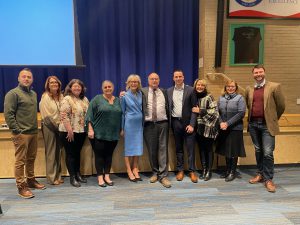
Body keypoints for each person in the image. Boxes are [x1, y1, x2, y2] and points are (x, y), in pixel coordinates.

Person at [4, 68, 46, 199]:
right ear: (18, 78)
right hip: (21, 134)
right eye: (24, 76)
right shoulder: (13, 94)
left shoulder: (33, 93)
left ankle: (31, 180)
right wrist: (17, 131)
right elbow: (9, 114)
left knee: (31, 159)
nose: (26, 79)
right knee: (20, 161)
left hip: (33, 132)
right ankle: (21, 186)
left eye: (29, 77)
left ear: (32, 79)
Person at [245, 64, 285, 193]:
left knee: (267, 152)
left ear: (264, 72)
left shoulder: (274, 87)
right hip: (253, 124)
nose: (258, 74)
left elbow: (281, 106)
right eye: (256, 73)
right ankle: (260, 174)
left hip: (267, 125)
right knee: (258, 150)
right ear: (253, 74)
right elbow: (248, 105)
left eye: (260, 72)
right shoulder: (249, 89)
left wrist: (272, 119)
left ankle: (268, 179)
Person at [85, 80, 122, 187]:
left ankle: (107, 176)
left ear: (113, 88)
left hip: (113, 134)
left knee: (109, 156)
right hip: (98, 134)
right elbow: (89, 115)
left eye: (109, 86)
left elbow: (122, 115)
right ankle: (100, 178)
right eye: (105, 87)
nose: (107, 88)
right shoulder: (97, 99)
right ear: (102, 88)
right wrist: (90, 129)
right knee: (99, 156)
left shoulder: (118, 100)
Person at [167, 70, 198, 183]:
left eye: (180, 76)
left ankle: (191, 171)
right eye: (176, 77)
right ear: (173, 78)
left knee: (190, 149)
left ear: (183, 77)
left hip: (188, 124)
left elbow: (195, 109)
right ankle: (180, 170)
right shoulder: (169, 91)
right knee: (179, 148)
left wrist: (192, 124)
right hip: (176, 123)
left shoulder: (190, 90)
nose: (178, 78)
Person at [142, 72, 171, 188]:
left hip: (163, 124)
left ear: (159, 81)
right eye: (152, 79)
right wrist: (123, 94)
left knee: (163, 149)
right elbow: (132, 94)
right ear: (148, 80)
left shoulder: (164, 92)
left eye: (156, 79)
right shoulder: (142, 92)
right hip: (149, 125)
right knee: (152, 150)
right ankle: (155, 172)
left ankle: (163, 176)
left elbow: (169, 107)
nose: (154, 81)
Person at [59, 79, 89, 187]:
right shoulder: (66, 99)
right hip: (68, 131)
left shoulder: (84, 99)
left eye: (79, 86)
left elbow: (88, 114)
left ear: (82, 88)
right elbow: (63, 115)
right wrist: (69, 130)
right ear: (70, 88)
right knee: (70, 154)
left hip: (81, 131)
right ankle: (72, 177)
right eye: (75, 86)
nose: (77, 88)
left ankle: (78, 174)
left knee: (77, 153)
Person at [216, 80, 246, 182]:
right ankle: (227, 170)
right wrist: (221, 123)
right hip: (223, 128)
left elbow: (241, 113)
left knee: (233, 151)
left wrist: (227, 123)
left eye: (232, 86)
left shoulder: (240, 98)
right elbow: (217, 112)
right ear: (225, 88)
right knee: (226, 150)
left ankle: (232, 172)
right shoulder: (221, 98)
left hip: (235, 129)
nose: (230, 88)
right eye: (228, 86)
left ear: (236, 88)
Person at [192, 79, 219, 181]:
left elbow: (214, 112)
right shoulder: (193, 97)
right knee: (201, 149)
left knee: (208, 150)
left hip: (208, 128)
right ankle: (203, 169)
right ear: (195, 86)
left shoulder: (209, 96)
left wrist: (200, 111)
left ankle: (209, 171)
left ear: (205, 87)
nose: (200, 87)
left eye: (202, 85)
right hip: (198, 128)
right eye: (198, 85)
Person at [39, 76, 64, 185]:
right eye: (51, 83)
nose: (54, 84)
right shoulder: (45, 97)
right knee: (51, 152)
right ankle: (51, 178)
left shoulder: (61, 96)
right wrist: (57, 128)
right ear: (48, 85)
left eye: (56, 83)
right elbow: (46, 117)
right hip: (49, 127)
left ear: (59, 85)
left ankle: (58, 175)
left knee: (58, 152)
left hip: (60, 127)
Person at [121, 74, 143, 182]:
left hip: (139, 125)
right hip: (129, 125)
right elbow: (122, 113)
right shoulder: (124, 96)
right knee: (129, 149)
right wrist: (122, 128)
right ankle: (129, 170)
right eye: (132, 82)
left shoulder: (141, 94)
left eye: (136, 82)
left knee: (137, 147)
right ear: (128, 83)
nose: (134, 83)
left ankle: (135, 168)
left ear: (138, 84)